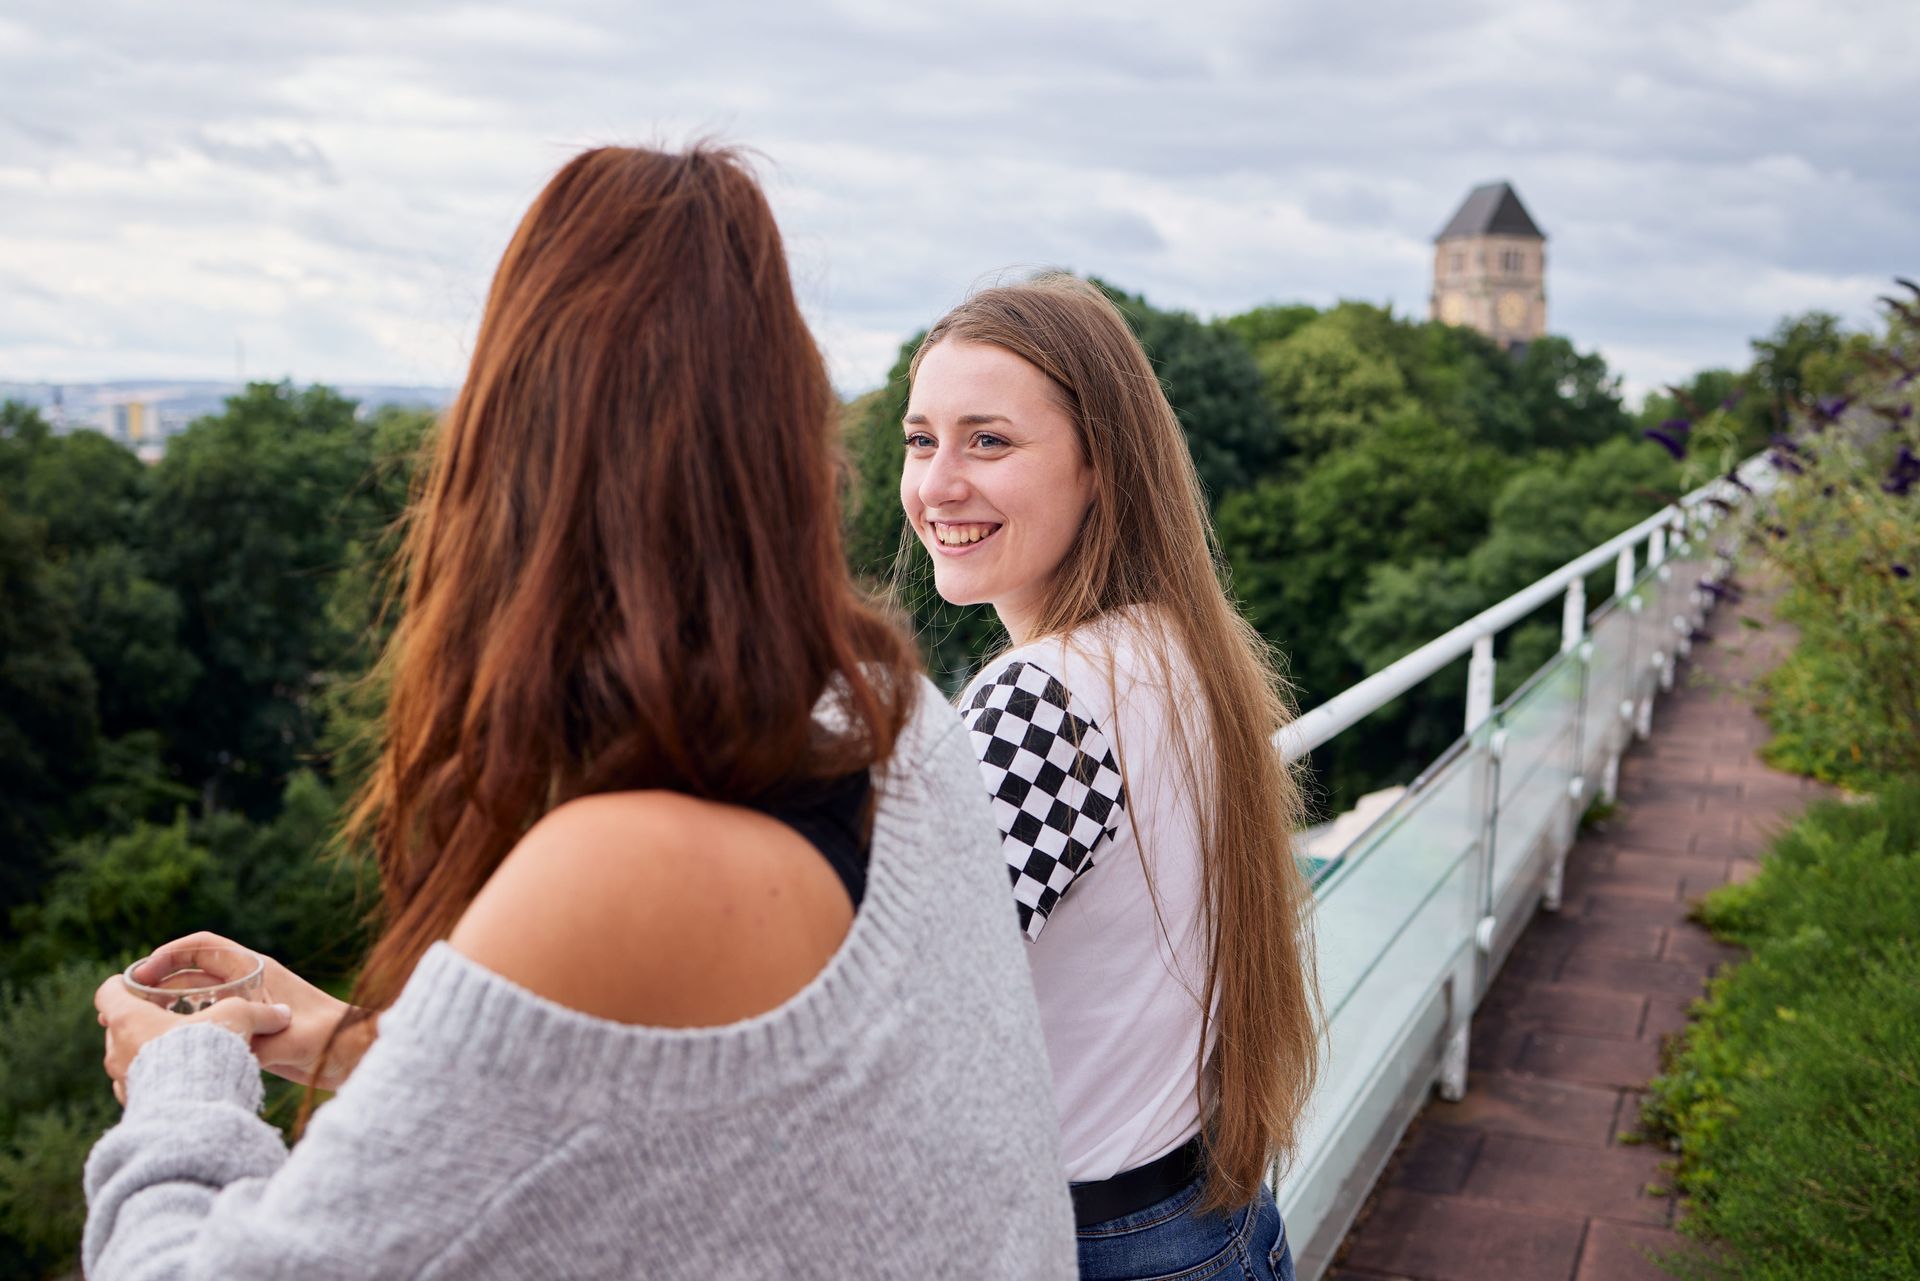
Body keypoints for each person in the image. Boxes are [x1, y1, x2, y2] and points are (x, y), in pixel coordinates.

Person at [86, 146, 1077, 1281]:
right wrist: (349, 1043)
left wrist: (181, 1082)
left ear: (514, 455)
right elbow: (708, 1124)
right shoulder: (899, 725)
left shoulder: (637, 861)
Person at [898, 274, 1320, 1280]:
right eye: (921, 441)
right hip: (1210, 1208)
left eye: (988, 441)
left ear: (1102, 468)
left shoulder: (1040, 699)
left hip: (1095, 1241)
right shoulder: (1179, 649)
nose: (937, 485)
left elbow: (902, 1016)